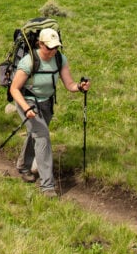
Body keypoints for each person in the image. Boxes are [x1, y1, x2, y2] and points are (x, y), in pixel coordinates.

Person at [9, 27, 90, 196]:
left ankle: (23, 166)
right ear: (40, 44)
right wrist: (26, 108)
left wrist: (80, 87)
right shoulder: (28, 61)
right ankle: (47, 186)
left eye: (56, 47)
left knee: (36, 134)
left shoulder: (60, 59)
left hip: (46, 102)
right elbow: (14, 89)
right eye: (49, 47)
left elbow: (69, 84)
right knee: (43, 137)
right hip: (27, 101)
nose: (53, 51)